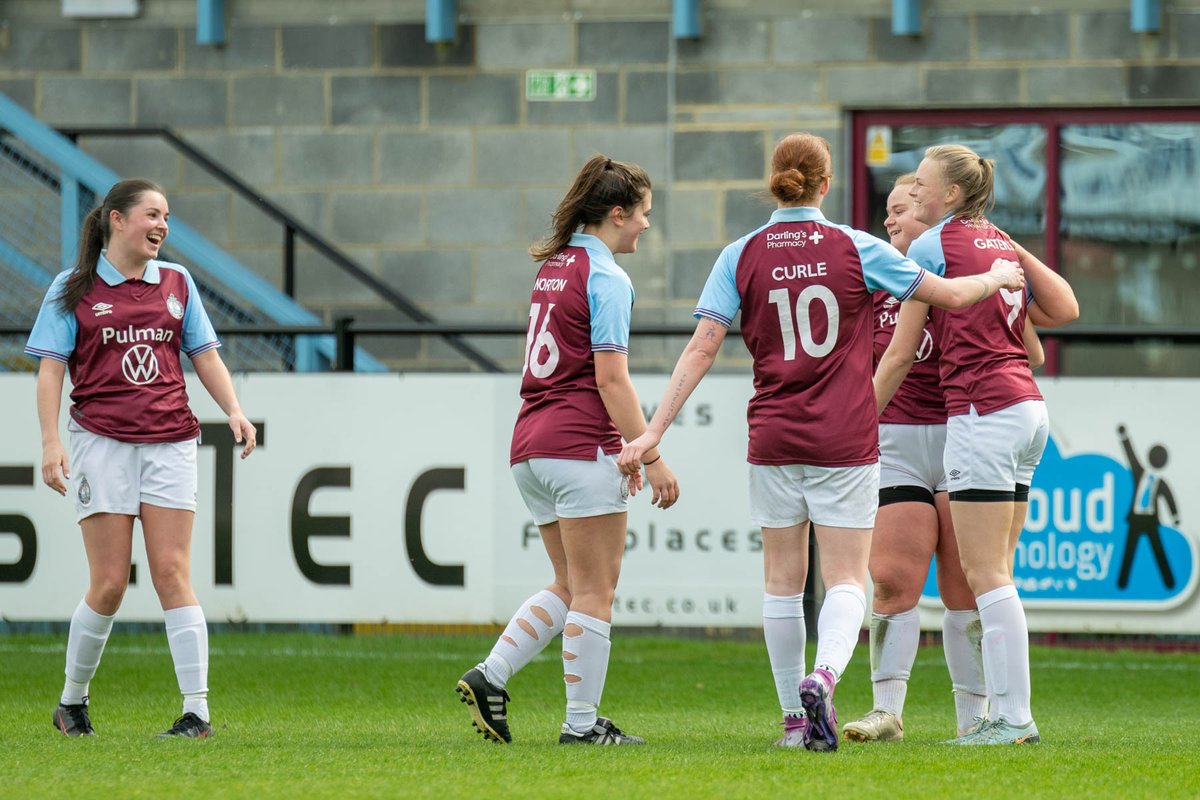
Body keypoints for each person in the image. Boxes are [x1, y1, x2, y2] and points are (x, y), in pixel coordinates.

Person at [617, 133, 1024, 752]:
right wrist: (995, 274)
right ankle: (826, 678)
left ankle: (791, 722)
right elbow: (949, 294)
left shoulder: (741, 253)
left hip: (773, 434)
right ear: (827, 184)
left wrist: (651, 431)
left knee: (781, 581)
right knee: (846, 582)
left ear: (775, 179)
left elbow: (702, 347)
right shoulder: (854, 245)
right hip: (846, 436)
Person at [455, 155, 678, 746]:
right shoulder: (607, 277)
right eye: (643, 215)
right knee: (597, 592)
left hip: (530, 444)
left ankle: (491, 674)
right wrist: (648, 455)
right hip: (577, 445)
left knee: (570, 583)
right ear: (616, 213)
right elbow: (610, 380)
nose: (646, 227)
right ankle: (581, 726)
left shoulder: (555, 266)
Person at [26, 178, 257, 739]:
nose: (162, 227)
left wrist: (233, 409)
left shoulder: (177, 282)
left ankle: (197, 713)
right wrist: (51, 441)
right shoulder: (72, 287)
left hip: (172, 441)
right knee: (107, 583)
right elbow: (51, 369)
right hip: (101, 442)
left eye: (168, 218)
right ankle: (71, 703)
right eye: (153, 215)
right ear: (116, 220)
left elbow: (203, 355)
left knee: (172, 572)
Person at [874, 144, 1079, 745]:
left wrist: (856, 424)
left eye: (921, 186)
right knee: (996, 572)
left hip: (983, 412)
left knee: (985, 574)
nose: (914, 194)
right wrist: (1001, 247)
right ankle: (999, 716)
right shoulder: (991, 239)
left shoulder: (932, 246)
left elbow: (900, 350)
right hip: (1027, 409)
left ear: (950, 195)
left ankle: (1011, 719)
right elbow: (1061, 311)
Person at [842, 174, 1045, 744]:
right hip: (900, 443)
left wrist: (983, 301)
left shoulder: (962, 276)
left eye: (902, 209)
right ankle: (887, 710)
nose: (889, 221)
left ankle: (975, 718)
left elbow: (1031, 348)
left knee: (966, 588)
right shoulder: (877, 279)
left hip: (965, 430)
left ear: (933, 216)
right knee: (892, 578)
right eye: (885, 212)